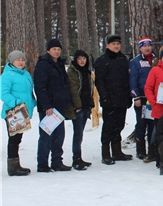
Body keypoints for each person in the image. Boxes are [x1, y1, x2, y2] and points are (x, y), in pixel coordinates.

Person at [34, 39, 73, 172]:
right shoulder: (43, 65)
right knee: (46, 135)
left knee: (59, 135)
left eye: (58, 49)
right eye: (54, 49)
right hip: (48, 108)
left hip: (60, 106)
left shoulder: (60, 64)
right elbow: (40, 87)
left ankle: (57, 161)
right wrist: (46, 106)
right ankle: (42, 163)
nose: (56, 51)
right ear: (48, 50)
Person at [94, 34, 133, 165]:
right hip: (109, 99)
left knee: (119, 125)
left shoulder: (123, 59)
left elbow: (127, 80)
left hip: (122, 98)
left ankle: (117, 151)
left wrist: (128, 96)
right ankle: (106, 153)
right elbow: (100, 81)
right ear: (107, 45)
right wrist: (104, 97)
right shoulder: (102, 61)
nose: (116, 46)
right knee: (108, 127)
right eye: (113, 44)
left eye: (118, 44)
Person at [2, 51, 36, 176]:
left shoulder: (25, 74)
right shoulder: (7, 75)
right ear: (12, 62)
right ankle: (12, 167)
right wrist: (15, 102)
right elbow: (4, 93)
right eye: (18, 60)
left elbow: (28, 92)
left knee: (18, 138)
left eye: (22, 60)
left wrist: (33, 103)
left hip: (23, 111)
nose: (21, 62)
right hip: (13, 112)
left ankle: (16, 165)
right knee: (14, 139)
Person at [67, 50, 94, 170]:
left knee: (80, 133)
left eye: (84, 58)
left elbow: (90, 90)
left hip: (86, 106)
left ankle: (79, 157)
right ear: (75, 60)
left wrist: (90, 105)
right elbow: (73, 90)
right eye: (80, 58)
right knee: (77, 134)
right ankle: (76, 159)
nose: (82, 60)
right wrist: (77, 106)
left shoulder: (87, 72)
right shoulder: (72, 72)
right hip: (78, 107)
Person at [129, 38, 156, 160]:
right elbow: (132, 79)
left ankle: (151, 149)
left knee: (152, 124)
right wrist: (136, 97)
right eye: (144, 46)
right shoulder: (135, 61)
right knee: (141, 124)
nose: (147, 48)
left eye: (149, 46)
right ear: (140, 48)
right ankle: (140, 150)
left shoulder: (156, 59)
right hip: (142, 98)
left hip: (153, 99)